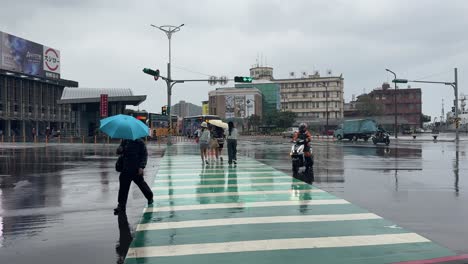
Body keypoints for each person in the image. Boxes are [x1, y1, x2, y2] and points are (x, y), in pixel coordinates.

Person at [114, 138, 153, 215]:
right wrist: (119, 149)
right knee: (123, 188)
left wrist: (141, 166)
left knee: (142, 185)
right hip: (125, 169)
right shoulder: (125, 141)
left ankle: (150, 197)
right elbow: (118, 152)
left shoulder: (140, 142)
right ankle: (121, 206)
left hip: (136, 169)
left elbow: (144, 155)